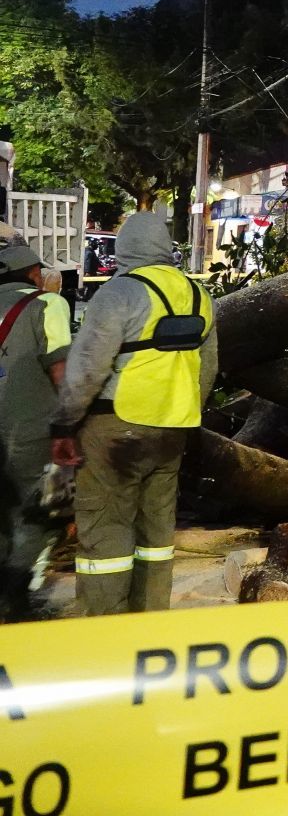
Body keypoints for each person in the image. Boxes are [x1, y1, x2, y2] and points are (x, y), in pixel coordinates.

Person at [54, 212, 216, 615]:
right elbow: (208, 369)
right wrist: (183, 409)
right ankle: (148, 623)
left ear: (125, 249)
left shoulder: (119, 293)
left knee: (106, 532)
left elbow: (88, 366)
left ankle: (104, 630)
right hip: (172, 431)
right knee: (156, 534)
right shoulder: (198, 296)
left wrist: (64, 422)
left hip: (115, 429)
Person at [0, 243, 70, 620]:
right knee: (37, 511)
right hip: (29, 429)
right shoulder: (47, 304)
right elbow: (61, 369)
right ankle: (16, 599)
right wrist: (72, 422)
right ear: (32, 273)